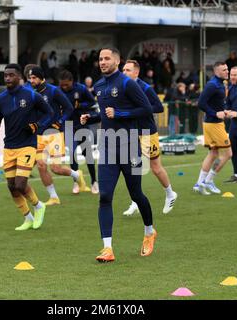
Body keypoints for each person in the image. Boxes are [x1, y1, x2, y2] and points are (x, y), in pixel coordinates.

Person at [80, 48, 156, 262]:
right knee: (105, 196)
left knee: (136, 194)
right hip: (107, 147)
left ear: (117, 59)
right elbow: (106, 115)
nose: (103, 62)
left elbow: (147, 110)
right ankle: (107, 248)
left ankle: (149, 231)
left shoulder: (127, 83)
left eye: (107, 58)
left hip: (130, 145)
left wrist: (121, 113)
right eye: (100, 59)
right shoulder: (99, 86)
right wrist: (92, 117)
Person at [0, 64, 53, 231]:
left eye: (11, 75)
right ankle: (28, 218)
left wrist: (37, 125)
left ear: (19, 77)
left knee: (20, 183)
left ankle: (39, 206)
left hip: (27, 145)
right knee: (11, 186)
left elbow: (49, 113)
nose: (8, 78)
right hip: (9, 146)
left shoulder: (31, 95)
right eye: (5, 76)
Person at [121, 60, 177, 216]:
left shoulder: (145, 88)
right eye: (123, 69)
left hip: (147, 132)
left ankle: (170, 193)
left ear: (136, 72)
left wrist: (140, 110)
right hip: (132, 132)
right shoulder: (123, 87)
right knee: (134, 167)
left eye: (128, 70)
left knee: (155, 168)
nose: (124, 72)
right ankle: (135, 201)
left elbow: (159, 107)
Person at [29, 66, 88, 204]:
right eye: (30, 78)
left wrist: (59, 122)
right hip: (38, 135)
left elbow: (69, 108)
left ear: (41, 78)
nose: (31, 80)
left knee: (56, 169)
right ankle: (54, 197)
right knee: (41, 165)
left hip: (54, 134)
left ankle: (76, 174)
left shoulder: (54, 91)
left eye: (34, 78)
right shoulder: (30, 93)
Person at [193, 61, 232, 195]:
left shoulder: (220, 84)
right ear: (216, 72)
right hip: (214, 124)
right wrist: (215, 113)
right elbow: (201, 103)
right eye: (223, 70)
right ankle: (208, 180)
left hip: (213, 123)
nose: (227, 72)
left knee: (213, 153)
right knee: (228, 154)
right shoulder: (212, 85)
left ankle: (199, 184)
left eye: (227, 69)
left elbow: (214, 103)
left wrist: (224, 110)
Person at [58, 70, 98, 194]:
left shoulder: (81, 89)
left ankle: (94, 182)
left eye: (66, 85)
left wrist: (80, 105)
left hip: (82, 124)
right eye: (62, 85)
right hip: (68, 125)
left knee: (88, 154)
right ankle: (76, 182)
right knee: (72, 154)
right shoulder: (58, 90)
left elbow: (92, 102)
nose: (64, 87)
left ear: (72, 81)